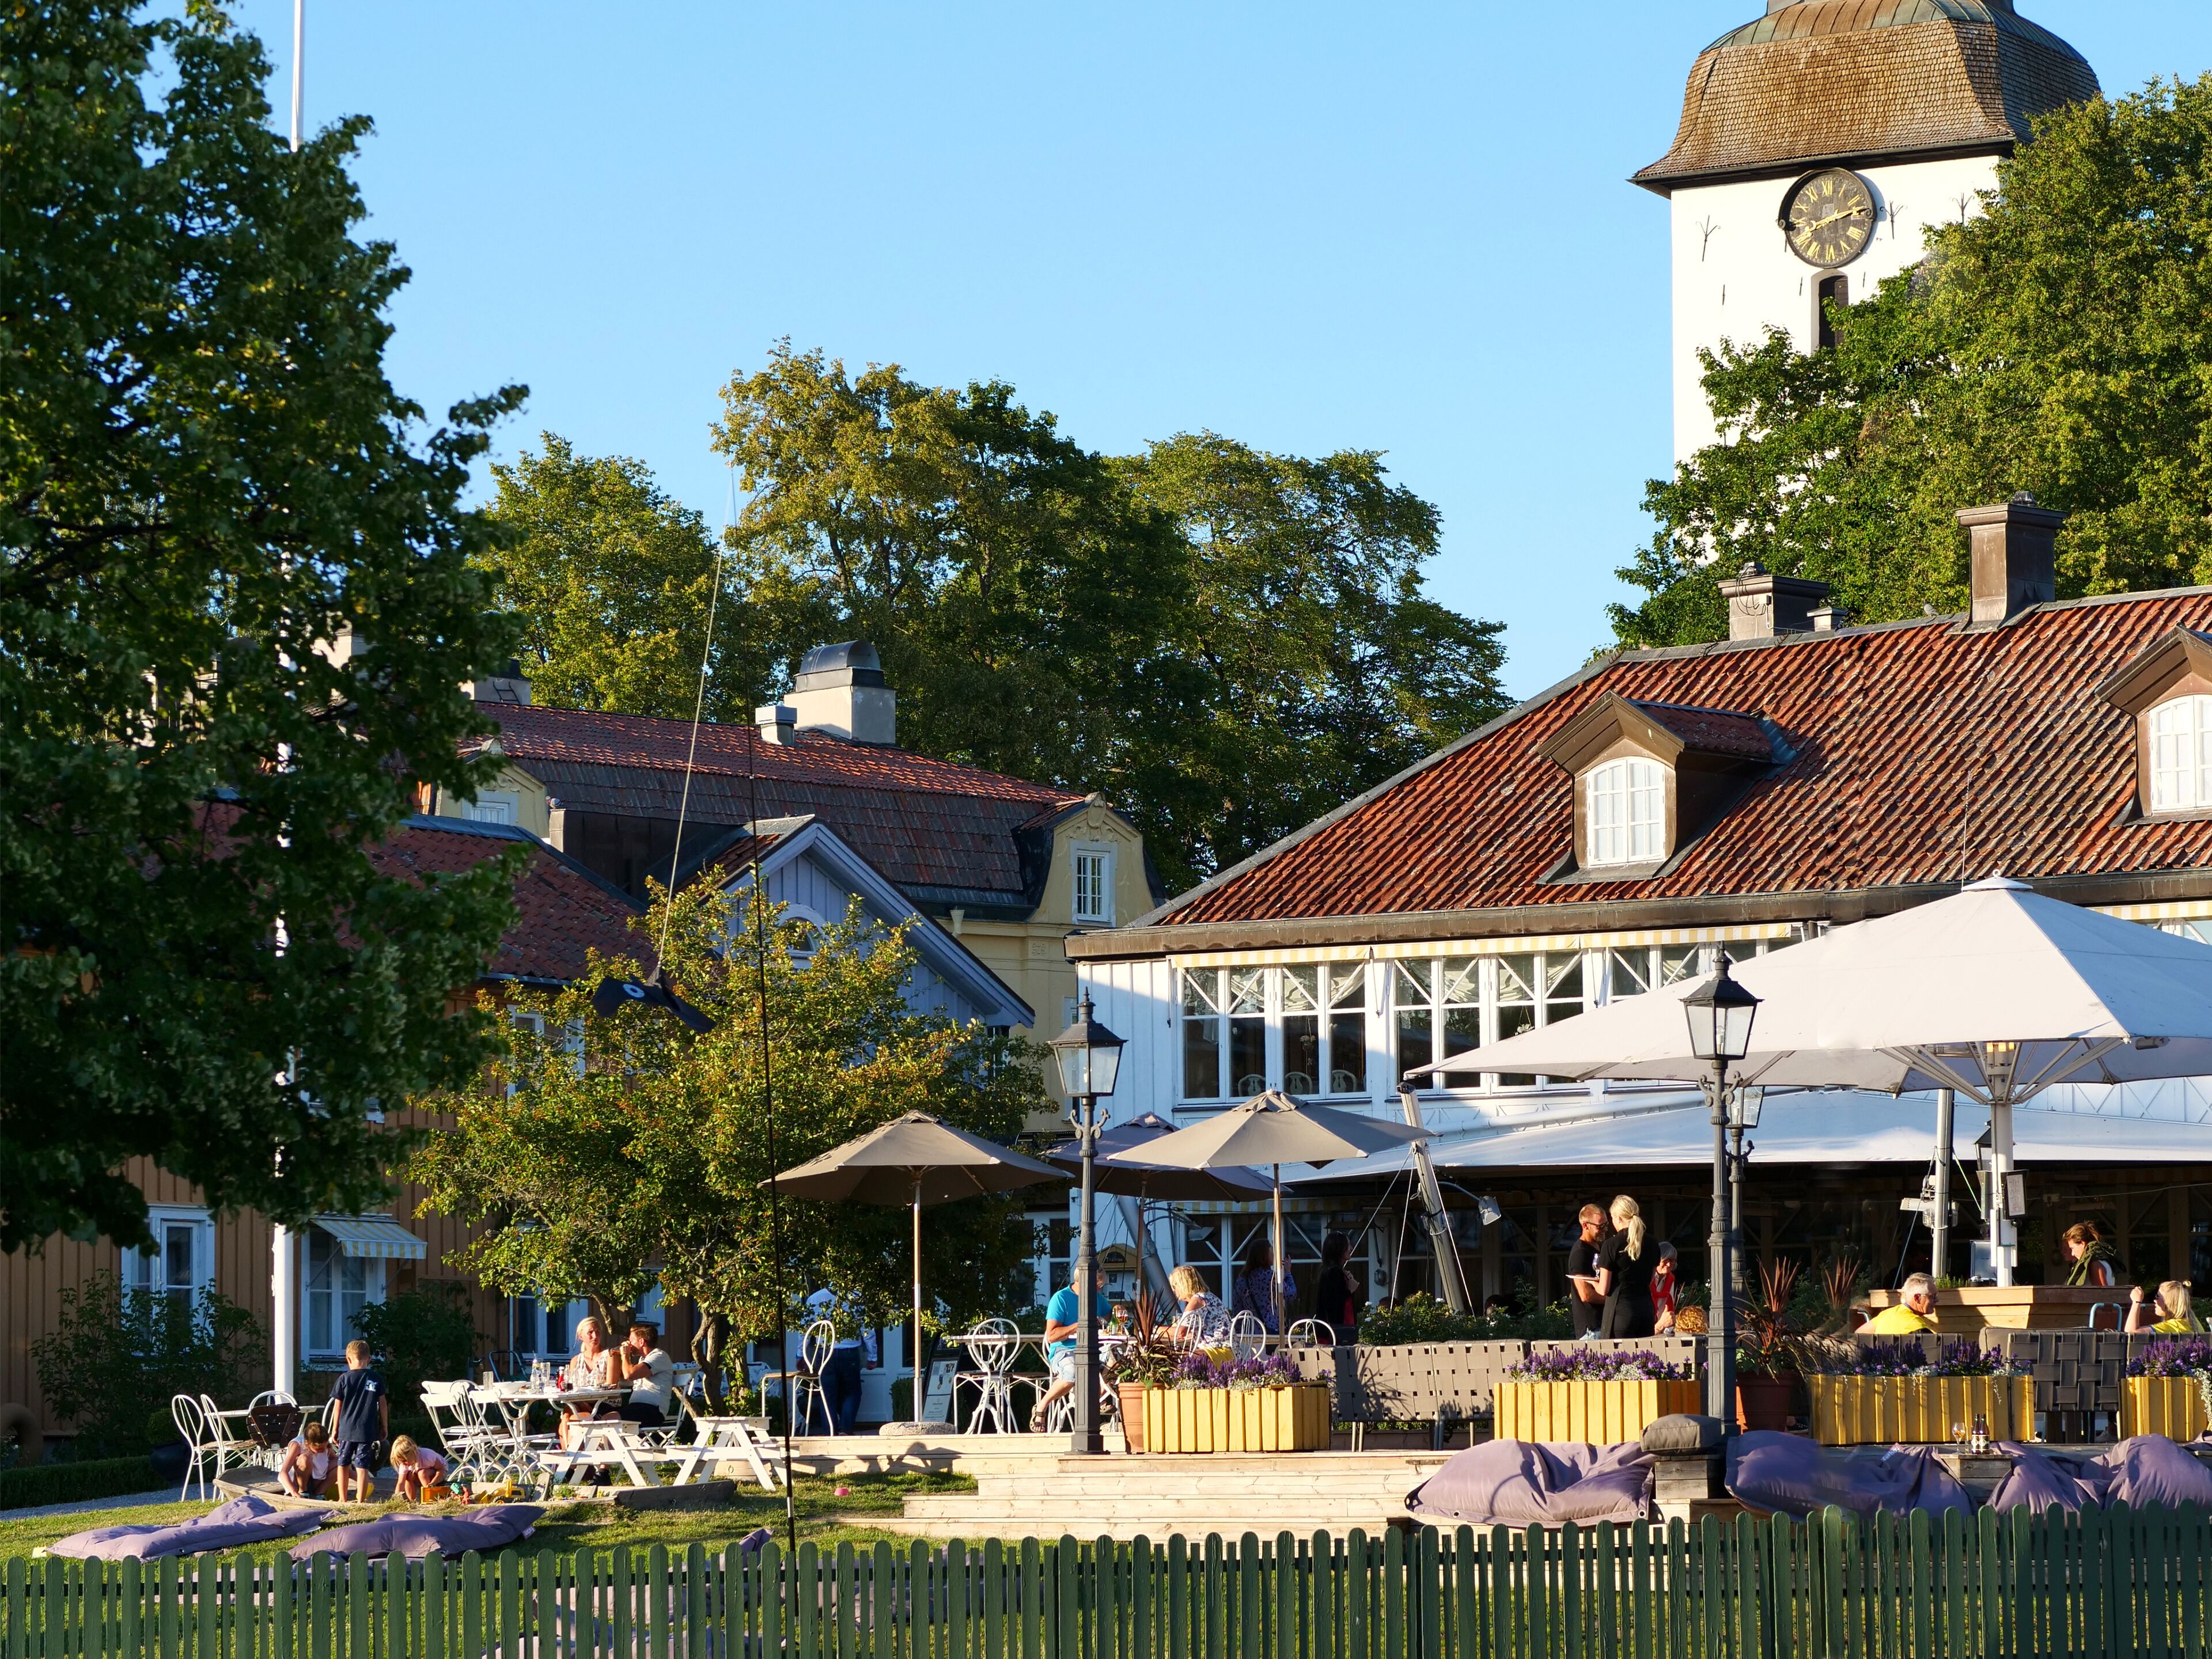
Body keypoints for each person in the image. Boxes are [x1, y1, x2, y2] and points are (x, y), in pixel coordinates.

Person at [1029, 1273, 1111, 1432]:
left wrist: (1117, 1311)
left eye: (1102, 1287)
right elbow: (1052, 1336)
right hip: (1064, 1350)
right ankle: (1042, 1405)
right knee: (1074, 1370)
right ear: (1082, 1281)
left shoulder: (1097, 1298)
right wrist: (1078, 1325)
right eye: (1097, 1286)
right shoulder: (1061, 1299)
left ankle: (1096, 1397)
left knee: (1118, 1357)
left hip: (1093, 1350)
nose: (1099, 1291)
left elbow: (1112, 1318)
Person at [327, 1338, 389, 1503]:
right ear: (368, 1359)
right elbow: (383, 1404)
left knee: (343, 1464)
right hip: (367, 1430)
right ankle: (361, 1500)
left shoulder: (344, 1379)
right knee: (363, 1466)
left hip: (346, 1430)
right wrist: (384, 1426)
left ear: (348, 1359)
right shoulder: (375, 1379)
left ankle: (342, 1498)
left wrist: (335, 1429)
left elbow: (337, 1407)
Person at [802, 1289, 871, 1435]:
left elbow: (805, 1329)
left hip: (824, 1351)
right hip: (849, 1351)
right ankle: (845, 1429)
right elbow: (867, 1329)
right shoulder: (856, 1297)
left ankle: (830, 1432)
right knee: (852, 1392)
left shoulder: (815, 1298)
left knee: (827, 1394)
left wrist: (800, 1354)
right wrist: (873, 1356)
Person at [1596, 1195, 1657, 1339]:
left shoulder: (1611, 1245)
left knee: (1620, 1359)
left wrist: (1591, 1282)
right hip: (1646, 1308)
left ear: (1618, 1218)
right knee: (1647, 1358)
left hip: (1622, 1309)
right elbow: (1650, 1279)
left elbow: (1603, 1289)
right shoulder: (1652, 1242)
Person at [558, 1316, 619, 1449]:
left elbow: (611, 1388)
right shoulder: (576, 1360)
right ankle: (574, 1464)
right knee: (568, 1417)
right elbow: (572, 1388)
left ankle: (570, 1464)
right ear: (581, 1336)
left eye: (598, 1332)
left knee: (571, 1421)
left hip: (605, 1404)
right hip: (582, 1404)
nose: (595, 1336)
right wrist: (582, 1402)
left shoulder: (610, 1355)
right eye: (590, 1332)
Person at [613, 1320, 676, 1430]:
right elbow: (625, 1377)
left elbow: (629, 1375)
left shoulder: (659, 1356)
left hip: (652, 1411)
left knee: (609, 1421)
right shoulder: (643, 1359)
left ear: (642, 1342)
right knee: (606, 1415)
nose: (629, 1344)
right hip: (638, 1409)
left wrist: (625, 1355)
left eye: (631, 1341)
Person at [1229, 1240, 1296, 1335]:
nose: (1274, 1255)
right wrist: (1288, 1273)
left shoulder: (1242, 1280)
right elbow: (1291, 1294)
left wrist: (1238, 1334)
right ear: (1265, 1255)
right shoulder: (1271, 1277)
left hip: (1249, 1334)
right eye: (1272, 1251)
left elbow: (1238, 1310)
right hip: (1269, 1331)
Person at [1566, 1206, 1607, 1338]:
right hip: (1591, 1329)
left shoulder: (1599, 1247)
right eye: (1600, 1226)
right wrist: (1614, 1301)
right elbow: (1586, 1295)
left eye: (1606, 1224)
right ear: (1585, 1225)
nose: (1605, 1229)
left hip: (1603, 1325)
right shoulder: (1580, 1253)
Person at [1311, 1232, 1363, 1336]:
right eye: (1348, 1245)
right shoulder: (1334, 1272)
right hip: (1336, 1331)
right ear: (1339, 1248)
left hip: (1335, 1329)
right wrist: (1350, 1290)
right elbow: (1333, 1302)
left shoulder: (1329, 1270)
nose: (1351, 1248)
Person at [1168, 1264, 1229, 1347]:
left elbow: (1180, 1333)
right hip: (1229, 1350)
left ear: (1184, 1285)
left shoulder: (1197, 1301)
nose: (1174, 1290)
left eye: (1175, 1286)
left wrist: (1156, 1330)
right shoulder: (1208, 1296)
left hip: (1217, 1350)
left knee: (1173, 1358)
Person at [1861, 1271, 1940, 1334]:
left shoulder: (1886, 1314)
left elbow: (1860, 1332)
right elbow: (1935, 1349)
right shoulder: (1914, 1324)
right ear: (1917, 1298)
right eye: (1932, 1296)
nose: (1937, 1300)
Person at [277, 1420, 335, 1499]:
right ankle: (303, 1492)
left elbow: (342, 1466)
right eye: (319, 1449)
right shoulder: (298, 1445)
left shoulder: (326, 1447)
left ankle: (319, 1494)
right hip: (297, 1482)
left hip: (316, 1481)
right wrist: (293, 1492)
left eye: (324, 1447)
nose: (323, 1451)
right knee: (305, 1458)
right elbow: (283, 1473)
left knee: (341, 1464)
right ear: (307, 1444)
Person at [388, 1435, 453, 1502]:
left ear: (412, 1453)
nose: (404, 1464)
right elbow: (401, 1483)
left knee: (422, 1473)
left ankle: (429, 1497)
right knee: (408, 1476)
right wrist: (396, 1498)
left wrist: (433, 1483)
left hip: (440, 1473)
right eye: (401, 1462)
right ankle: (412, 1502)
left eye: (405, 1461)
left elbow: (441, 1469)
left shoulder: (427, 1456)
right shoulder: (404, 1465)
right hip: (423, 1475)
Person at [2127, 1279, 2205, 1334]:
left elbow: (2131, 1333)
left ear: (2169, 1302)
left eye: (2157, 1297)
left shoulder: (2172, 1326)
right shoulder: (2194, 1322)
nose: (2155, 1300)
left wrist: (2136, 1302)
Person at [2061, 1221, 2119, 1289]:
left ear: (2082, 1244)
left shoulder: (2094, 1263)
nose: (2073, 1254)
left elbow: (2102, 1294)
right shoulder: (2101, 1259)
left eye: (2072, 1248)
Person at [1650, 1242, 1680, 1334]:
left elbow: (1667, 1304)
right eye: (1666, 1261)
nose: (1669, 1265)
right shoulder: (1648, 1277)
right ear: (1658, 1259)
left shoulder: (1670, 1279)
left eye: (1672, 1261)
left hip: (1660, 1324)